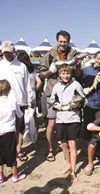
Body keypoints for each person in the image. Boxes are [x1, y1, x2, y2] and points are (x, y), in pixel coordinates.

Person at [38, 30, 81, 162]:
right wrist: (51, 71)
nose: (63, 44)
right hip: (53, 93)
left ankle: (67, 148)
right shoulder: (49, 55)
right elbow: (41, 74)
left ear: (69, 41)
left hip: (70, 94)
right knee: (51, 123)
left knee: (68, 122)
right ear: (57, 41)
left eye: (65, 41)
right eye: (61, 41)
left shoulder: (74, 54)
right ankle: (50, 149)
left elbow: (78, 75)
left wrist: (78, 66)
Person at [0, 40, 32, 162]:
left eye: (9, 52)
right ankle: (6, 150)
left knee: (19, 127)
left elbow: (27, 84)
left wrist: (29, 100)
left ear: (13, 51)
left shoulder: (22, 66)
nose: (7, 54)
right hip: (3, 102)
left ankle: (18, 149)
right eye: (5, 52)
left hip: (19, 101)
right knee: (5, 128)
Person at [50, 64, 85, 183]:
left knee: (72, 144)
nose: (65, 76)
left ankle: (73, 171)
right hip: (60, 117)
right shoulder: (56, 86)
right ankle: (68, 164)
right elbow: (51, 100)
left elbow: (83, 99)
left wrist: (77, 105)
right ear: (59, 74)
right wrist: (56, 105)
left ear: (71, 74)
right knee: (63, 144)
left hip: (73, 117)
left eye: (68, 73)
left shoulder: (76, 85)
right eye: (63, 73)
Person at [0, 80, 26, 183]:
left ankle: (0, 175)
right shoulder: (12, 102)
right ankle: (15, 175)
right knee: (11, 153)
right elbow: (20, 115)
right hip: (9, 131)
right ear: (9, 90)